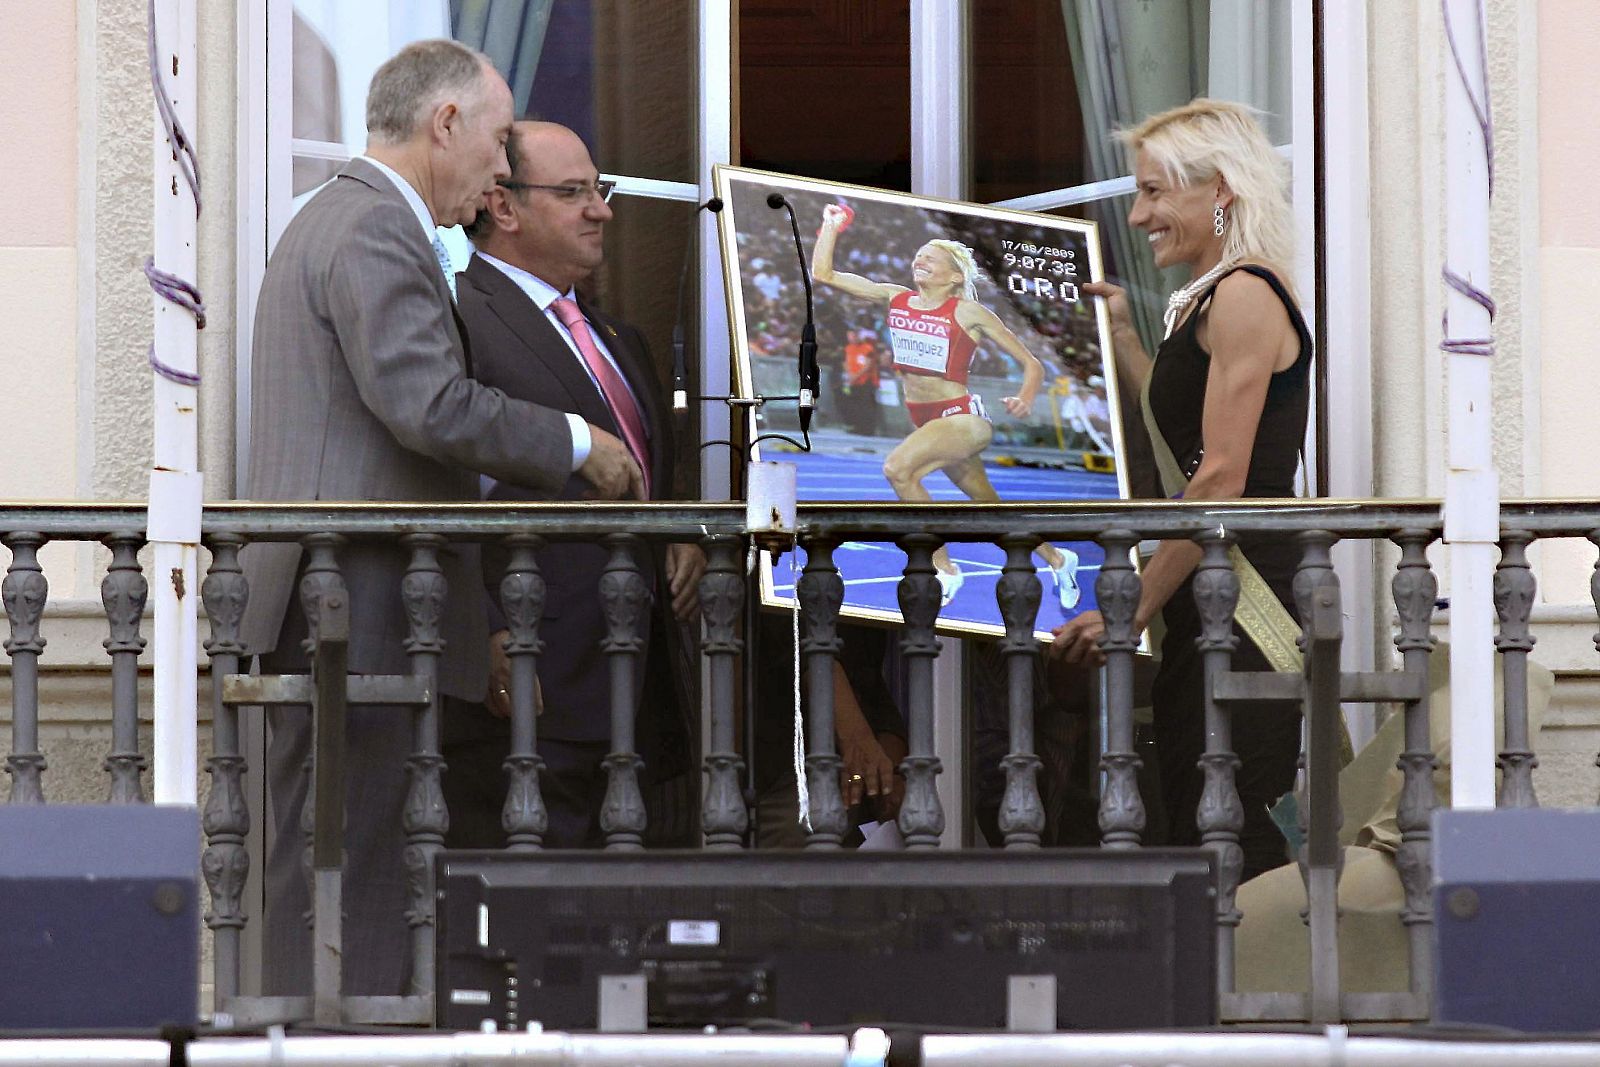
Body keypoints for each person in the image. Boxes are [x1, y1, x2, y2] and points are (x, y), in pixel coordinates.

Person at [237, 41, 643, 997]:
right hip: (351, 602)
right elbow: (427, 402)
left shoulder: (344, 218)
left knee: (343, 854)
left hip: (345, 597)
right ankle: (332, 1054)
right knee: (347, 859)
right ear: (445, 124)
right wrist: (581, 446)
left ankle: (321, 1041)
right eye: (498, 142)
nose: (502, 169)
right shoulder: (375, 226)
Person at [1051, 99, 1311, 882]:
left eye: (1156, 192)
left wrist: (1130, 607)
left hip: (1244, 603)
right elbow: (1186, 437)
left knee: (1234, 837)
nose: (1139, 215)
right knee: (1202, 815)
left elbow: (1221, 477)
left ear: (1220, 191)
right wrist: (1129, 338)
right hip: (1213, 599)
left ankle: (1253, 1003)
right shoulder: (1212, 297)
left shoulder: (1245, 294)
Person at [448, 120, 705, 848]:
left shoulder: (621, 338)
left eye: (602, 190)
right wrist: (491, 626)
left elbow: (642, 477)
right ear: (502, 205)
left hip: (638, 686)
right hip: (534, 684)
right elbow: (448, 479)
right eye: (574, 193)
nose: (603, 209)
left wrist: (675, 531)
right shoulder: (459, 318)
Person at [812, 208, 1081, 612]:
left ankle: (943, 568)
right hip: (923, 416)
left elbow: (1033, 363)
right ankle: (1060, 559)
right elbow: (825, 274)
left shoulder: (968, 312)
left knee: (898, 470)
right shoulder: (894, 296)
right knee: (990, 508)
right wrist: (831, 226)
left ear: (954, 276)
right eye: (917, 256)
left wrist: (1025, 396)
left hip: (962, 417)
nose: (919, 261)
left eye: (930, 258)